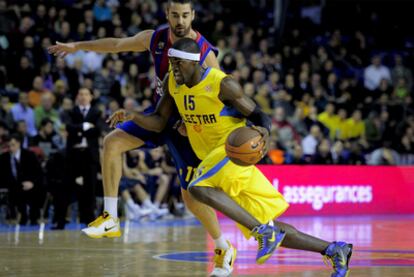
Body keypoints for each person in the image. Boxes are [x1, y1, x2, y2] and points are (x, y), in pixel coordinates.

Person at [107, 38, 353, 277]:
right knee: (268, 224)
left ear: (194, 62)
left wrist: (264, 132)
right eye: (171, 63)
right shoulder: (174, 82)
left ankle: (262, 233)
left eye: (178, 63)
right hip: (217, 161)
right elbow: (160, 121)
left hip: (231, 150)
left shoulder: (222, 84)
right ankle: (333, 249)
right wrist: (134, 115)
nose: (172, 68)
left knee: (196, 188)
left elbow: (258, 114)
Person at [48, 1, 234, 276]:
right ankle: (110, 216)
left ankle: (223, 247)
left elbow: (223, 97)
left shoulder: (205, 52)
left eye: (185, 15)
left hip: (189, 127)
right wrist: (77, 46)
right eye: (175, 15)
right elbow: (116, 45)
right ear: (167, 14)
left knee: (191, 198)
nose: (180, 20)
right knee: (112, 142)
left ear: (193, 15)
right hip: (159, 115)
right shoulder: (155, 38)